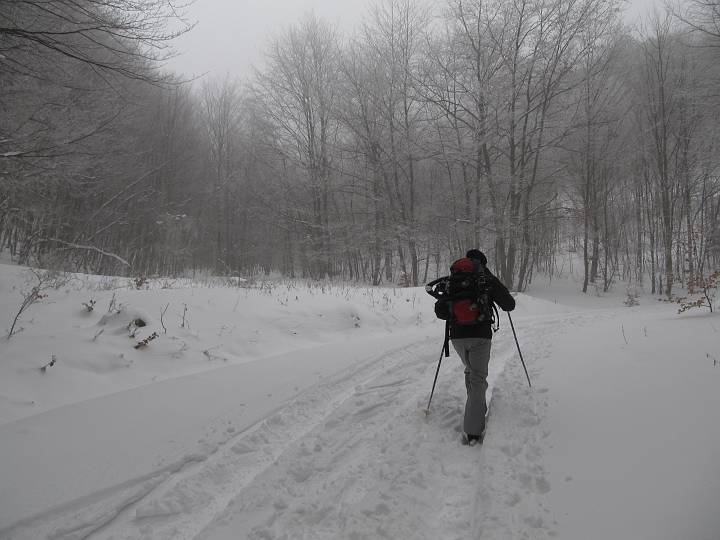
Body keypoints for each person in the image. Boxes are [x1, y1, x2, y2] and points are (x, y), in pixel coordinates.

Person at [450, 249, 515, 444]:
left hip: (457, 336)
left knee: (471, 372)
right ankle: (473, 431)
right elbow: (509, 304)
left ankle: (474, 408)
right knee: (478, 378)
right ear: (483, 263)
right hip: (480, 335)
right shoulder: (486, 278)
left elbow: (440, 310)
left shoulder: (454, 278)